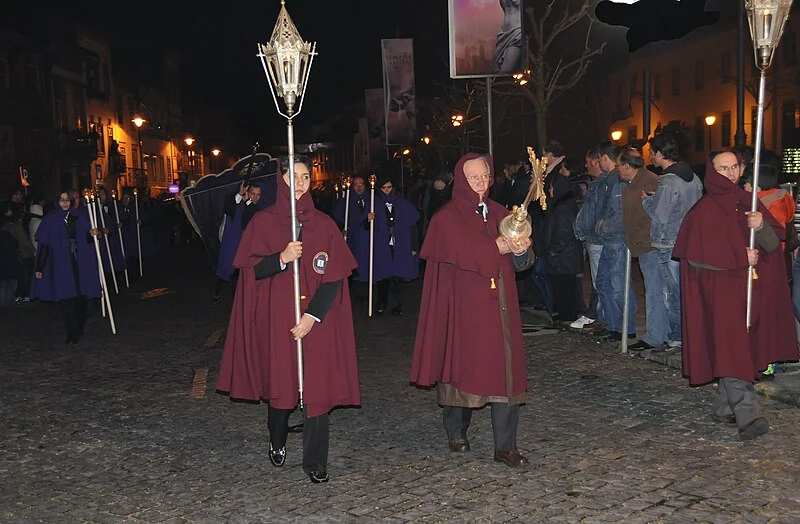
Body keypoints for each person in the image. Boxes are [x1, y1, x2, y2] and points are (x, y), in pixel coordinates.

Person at [216, 155, 361, 483]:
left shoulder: (323, 224)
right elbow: (251, 269)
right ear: (280, 180)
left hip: (315, 320)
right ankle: (277, 437)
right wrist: (280, 258)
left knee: (317, 390)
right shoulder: (263, 222)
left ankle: (316, 461)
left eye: (306, 175)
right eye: (293, 175)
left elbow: (335, 276)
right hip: (277, 317)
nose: (300, 181)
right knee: (282, 386)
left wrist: (313, 316)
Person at [410, 152, 534, 467]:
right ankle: (456, 429)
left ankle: (506, 446)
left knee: (505, 369)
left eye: (485, 176)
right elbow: (457, 252)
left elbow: (521, 263)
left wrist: (521, 249)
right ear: (461, 180)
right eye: (474, 177)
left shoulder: (502, 213)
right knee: (462, 365)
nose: (481, 182)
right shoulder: (446, 218)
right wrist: (494, 247)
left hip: (500, 308)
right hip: (463, 307)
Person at [673, 149, 798, 441]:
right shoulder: (704, 209)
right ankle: (748, 415)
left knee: (737, 347)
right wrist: (740, 257)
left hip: (748, 291)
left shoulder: (748, 202)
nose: (729, 173)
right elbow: (697, 256)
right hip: (719, 293)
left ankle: (723, 407)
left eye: (733, 167)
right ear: (711, 171)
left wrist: (761, 226)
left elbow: (771, 244)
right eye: (722, 168)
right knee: (731, 348)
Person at [642, 132, 703, 351]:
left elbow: (660, 214)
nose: (650, 157)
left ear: (659, 154)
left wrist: (647, 201)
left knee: (672, 294)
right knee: (686, 291)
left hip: (668, 243)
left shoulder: (667, 180)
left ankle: (678, 336)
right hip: (688, 240)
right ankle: (689, 334)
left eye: (652, 153)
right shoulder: (693, 177)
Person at [30, 190, 102, 343]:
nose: (65, 202)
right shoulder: (51, 220)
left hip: (80, 262)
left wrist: (93, 233)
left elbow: (88, 239)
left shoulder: (79, 217)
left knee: (81, 299)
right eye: (62, 200)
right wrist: (40, 268)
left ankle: (79, 325)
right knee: (67, 299)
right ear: (57, 201)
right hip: (62, 264)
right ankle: (72, 333)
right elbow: (44, 245)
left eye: (67, 200)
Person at [367, 175, 420, 316]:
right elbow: (367, 228)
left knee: (398, 276)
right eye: (384, 188)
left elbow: (412, 226)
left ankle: (397, 304)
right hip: (382, 245)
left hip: (400, 244)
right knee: (383, 275)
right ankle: (381, 302)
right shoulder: (374, 203)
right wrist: (369, 220)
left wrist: (414, 247)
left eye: (389, 187)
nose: (387, 191)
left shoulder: (402, 204)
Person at [544, 157, 584, 322]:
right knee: (562, 287)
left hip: (565, 256)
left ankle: (567, 314)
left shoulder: (564, 207)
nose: (550, 190)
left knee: (565, 287)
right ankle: (564, 312)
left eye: (552, 187)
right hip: (564, 256)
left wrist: (553, 249)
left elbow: (563, 231)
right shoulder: (561, 204)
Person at [214, 181, 264, 302]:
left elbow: (251, 216)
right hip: (232, 245)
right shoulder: (237, 203)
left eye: (258, 195)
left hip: (246, 248)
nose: (255, 197)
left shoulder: (255, 208)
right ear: (247, 193)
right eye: (253, 194)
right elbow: (229, 209)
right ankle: (218, 293)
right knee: (227, 273)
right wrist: (241, 195)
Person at [333, 176, 370, 302]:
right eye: (356, 185)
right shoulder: (345, 202)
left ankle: (366, 292)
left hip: (367, 239)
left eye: (362, 184)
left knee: (367, 263)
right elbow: (339, 219)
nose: (359, 187)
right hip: (353, 238)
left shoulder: (371, 200)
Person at [494, 0, 523, 74]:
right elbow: (506, 10)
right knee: (496, 70)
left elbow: (517, 3)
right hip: (504, 33)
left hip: (516, 32)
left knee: (505, 69)